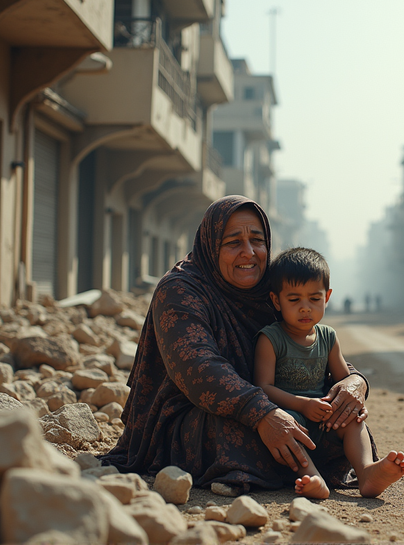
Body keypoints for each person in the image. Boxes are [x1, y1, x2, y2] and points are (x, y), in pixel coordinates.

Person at [100, 196, 373, 496]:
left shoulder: (273, 287)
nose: (249, 252)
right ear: (211, 244)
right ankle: (297, 471)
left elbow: (312, 341)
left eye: (257, 240)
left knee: (343, 417)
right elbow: (197, 367)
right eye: (233, 242)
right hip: (198, 413)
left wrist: (354, 382)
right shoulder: (180, 290)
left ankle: (336, 470)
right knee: (229, 433)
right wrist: (263, 414)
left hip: (281, 408)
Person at [255, 248, 404, 499]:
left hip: (324, 417)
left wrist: (353, 401)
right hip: (290, 413)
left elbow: (344, 379)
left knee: (353, 421)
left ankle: (366, 472)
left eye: (314, 299)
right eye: (294, 300)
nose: (305, 308)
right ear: (276, 300)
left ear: (327, 297)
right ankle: (314, 478)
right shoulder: (270, 339)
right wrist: (302, 405)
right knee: (289, 426)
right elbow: (263, 388)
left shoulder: (328, 337)